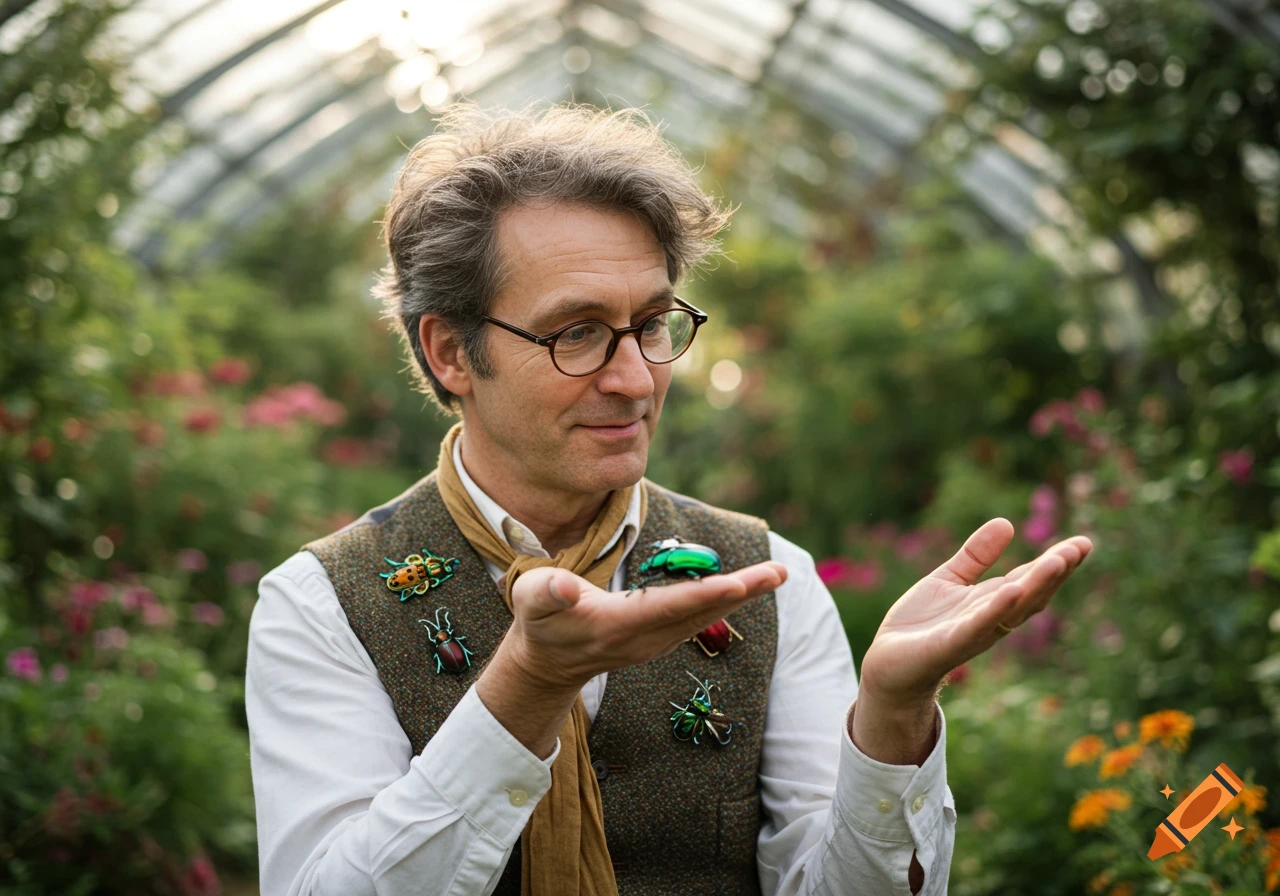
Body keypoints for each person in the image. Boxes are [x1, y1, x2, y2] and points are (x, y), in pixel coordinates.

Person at [245, 100, 1092, 896]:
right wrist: (528, 685)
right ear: (451, 353)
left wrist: (893, 722)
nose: (636, 377)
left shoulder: (767, 580)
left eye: (652, 324)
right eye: (576, 332)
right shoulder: (322, 605)